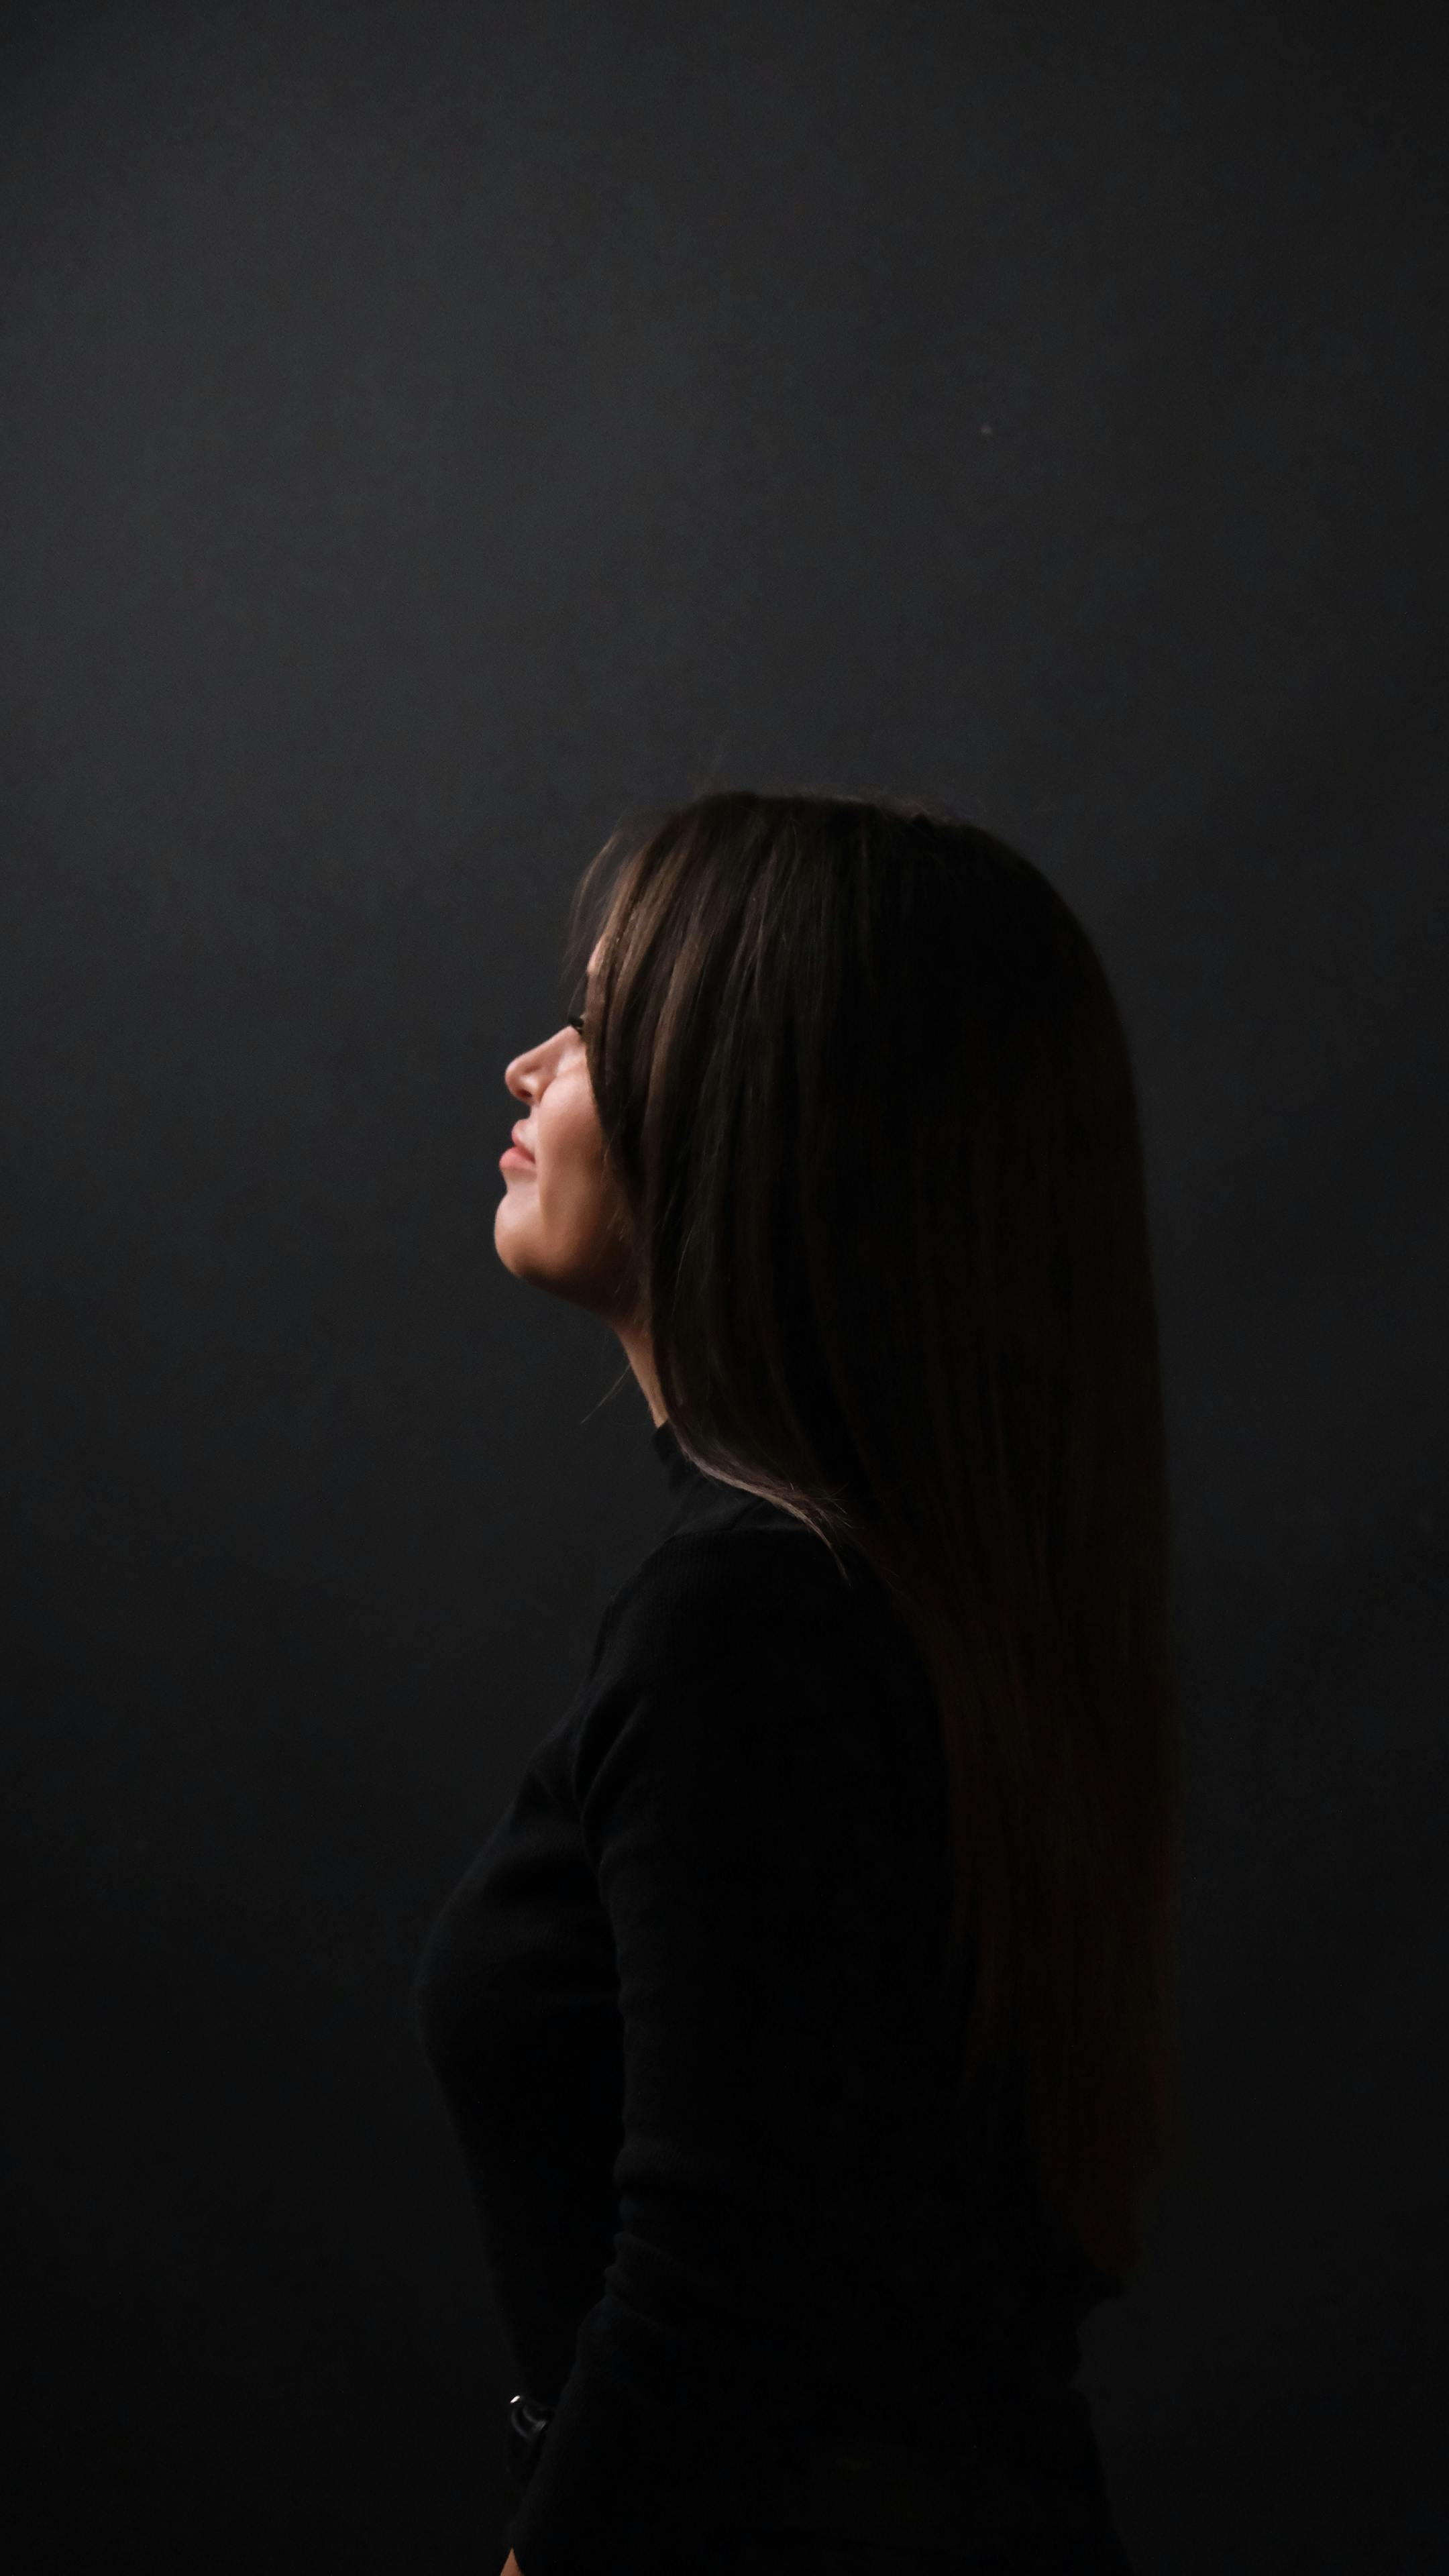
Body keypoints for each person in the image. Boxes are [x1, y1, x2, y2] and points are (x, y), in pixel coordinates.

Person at [413, 790, 1185, 2575]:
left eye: (601, 1026)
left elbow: (709, 2302)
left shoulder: (749, 1630)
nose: (532, 1067)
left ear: (753, 1115)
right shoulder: (913, 1610)